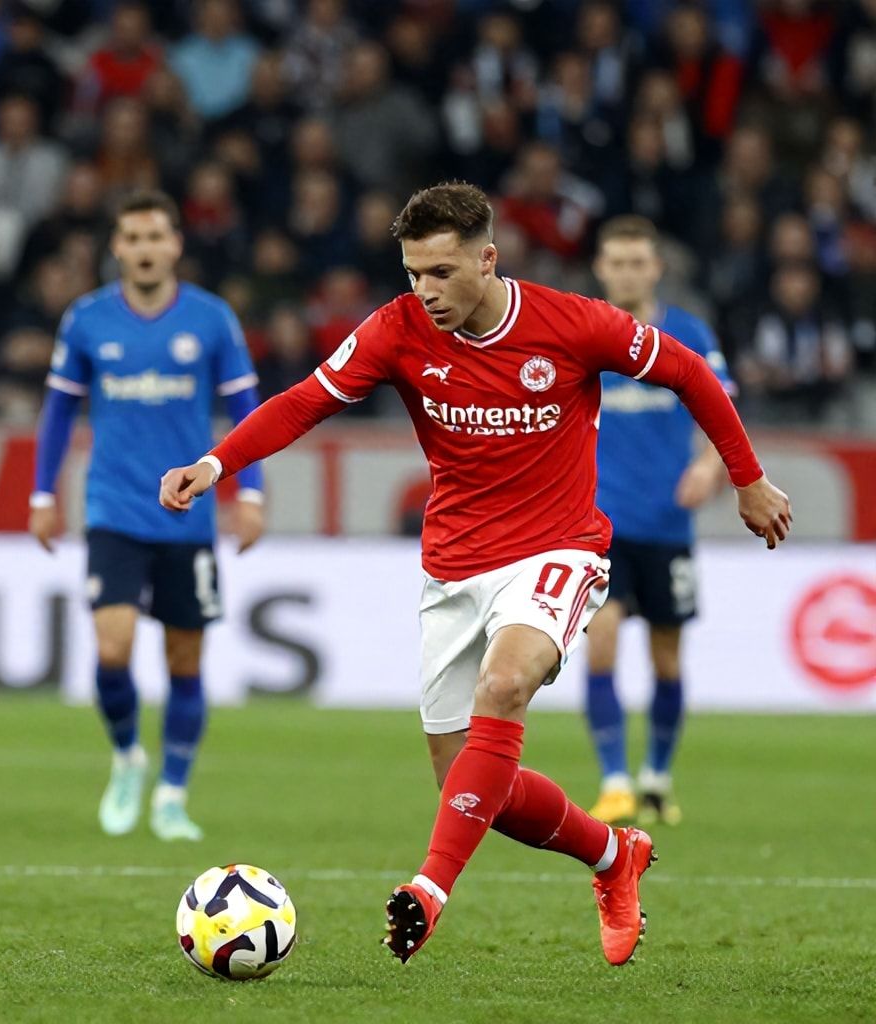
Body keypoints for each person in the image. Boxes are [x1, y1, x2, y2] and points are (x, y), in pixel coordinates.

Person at [159, 182, 790, 965]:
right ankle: (612, 855)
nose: (425, 291)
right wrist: (216, 463)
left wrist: (747, 478)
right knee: (472, 787)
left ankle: (429, 888)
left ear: (487, 260)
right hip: (454, 569)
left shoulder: (572, 323)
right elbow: (304, 401)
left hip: (559, 550)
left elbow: (691, 372)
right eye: (413, 273)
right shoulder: (396, 330)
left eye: (442, 272)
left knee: (504, 683)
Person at [31, 189, 266, 843]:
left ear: (175, 245)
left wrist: (250, 493)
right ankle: (128, 756)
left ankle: (172, 794)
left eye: (155, 237)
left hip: (188, 514)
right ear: (117, 247)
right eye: (132, 238)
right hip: (113, 507)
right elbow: (58, 411)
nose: (144, 249)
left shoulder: (212, 319)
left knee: (184, 662)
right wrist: (42, 495)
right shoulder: (86, 319)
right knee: (113, 648)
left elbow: (247, 411)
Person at [584, 215, 736, 827]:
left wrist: (709, 465)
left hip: (669, 525)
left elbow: (722, 408)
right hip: (600, 526)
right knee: (602, 642)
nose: (627, 273)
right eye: (616, 263)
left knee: (667, 660)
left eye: (637, 262)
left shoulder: (688, 333)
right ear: (601, 269)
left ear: (656, 268)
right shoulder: (584, 333)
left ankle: (655, 779)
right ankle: (614, 781)